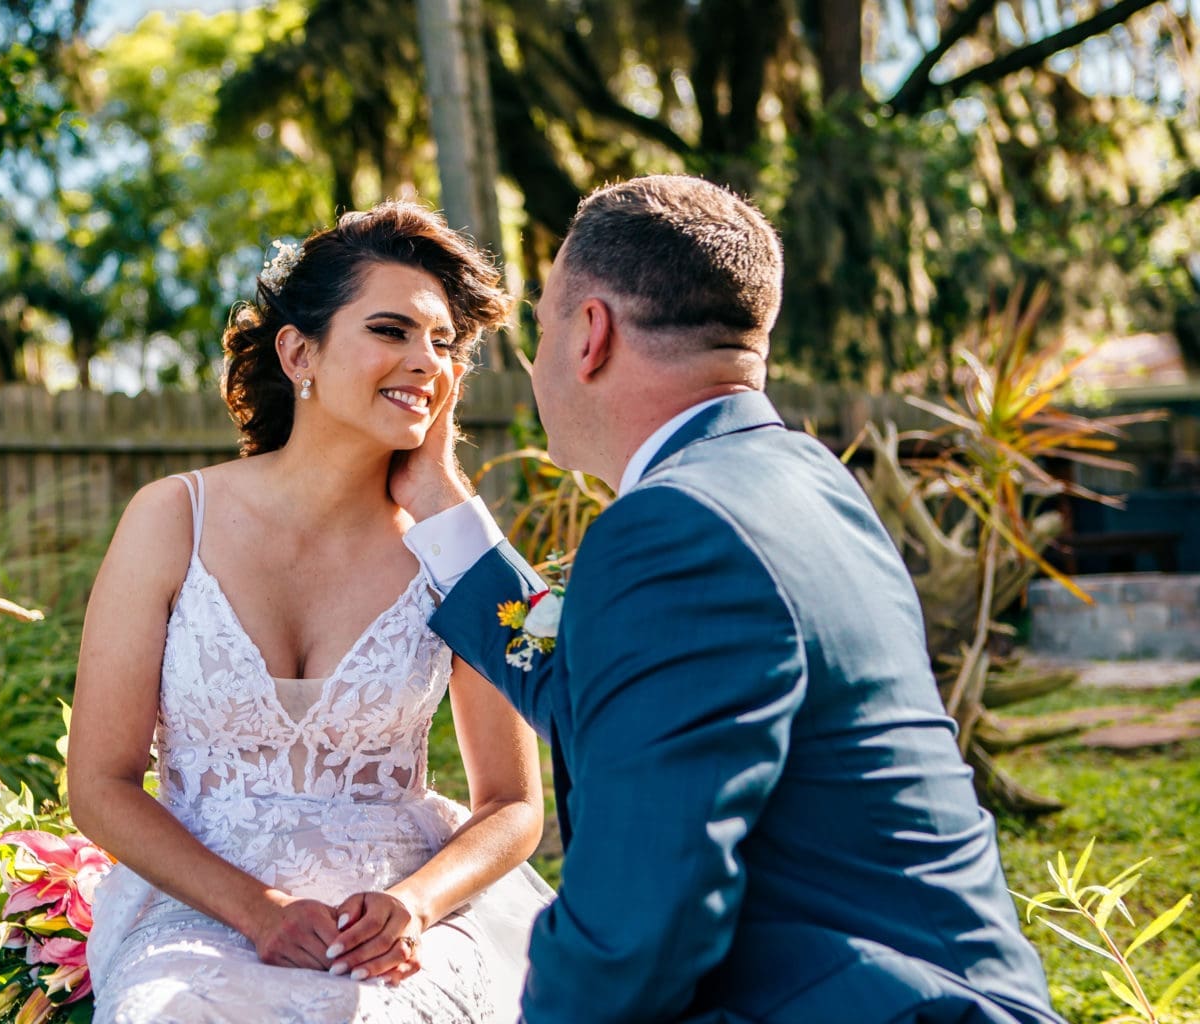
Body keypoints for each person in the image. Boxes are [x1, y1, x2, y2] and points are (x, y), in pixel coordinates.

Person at [392, 175, 1066, 1024]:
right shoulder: (806, 480)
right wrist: (440, 505)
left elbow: (632, 939)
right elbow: (597, 691)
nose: (535, 359)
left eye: (541, 326)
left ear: (590, 335)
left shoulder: (673, 528)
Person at [69, 201, 552, 1024]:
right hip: (200, 912)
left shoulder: (458, 547)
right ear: (299, 352)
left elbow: (514, 803)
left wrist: (416, 905)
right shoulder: (170, 518)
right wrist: (257, 910)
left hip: (401, 922)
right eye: (392, 331)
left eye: (443, 344)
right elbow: (100, 784)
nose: (426, 363)